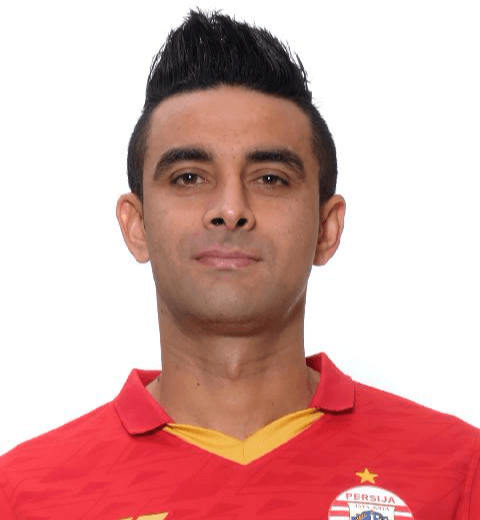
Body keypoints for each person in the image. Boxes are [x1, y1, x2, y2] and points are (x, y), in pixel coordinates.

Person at [0, 9, 478, 520]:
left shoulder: (458, 471)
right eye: (188, 177)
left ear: (326, 228)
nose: (230, 209)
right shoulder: (22, 495)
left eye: (270, 178)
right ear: (136, 225)